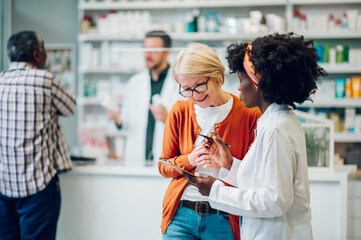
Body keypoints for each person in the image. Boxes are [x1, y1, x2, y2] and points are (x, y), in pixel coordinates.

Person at [187, 33, 327, 240]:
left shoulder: (276, 128)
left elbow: (274, 200)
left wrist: (215, 191)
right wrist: (229, 164)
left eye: (241, 79)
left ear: (259, 82)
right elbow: (263, 182)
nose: (238, 87)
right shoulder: (275, 120)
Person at [158, 43, 261, 240]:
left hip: (223, 217)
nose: (195, 96)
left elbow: (254, 178)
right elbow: (163, 166)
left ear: (217, 76)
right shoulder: (180, 110)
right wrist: (190, 160)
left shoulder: (249, 113)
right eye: (186, 89)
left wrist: (226, 165)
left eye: (199, 86)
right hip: (180, 216)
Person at [0, 31, 76, 240]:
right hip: (39, 185)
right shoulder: (45, 80)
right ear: (36, 55)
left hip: (5, 184)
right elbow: (70, 107)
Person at [107, 30, 180, 164]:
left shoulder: (179, 83)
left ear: (167, 52)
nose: (147, 54)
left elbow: (189, 127)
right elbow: (127, 123)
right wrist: (118, 119)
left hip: (168, 161)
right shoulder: (135, 83)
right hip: (136, 160)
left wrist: (167, 119)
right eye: (145, 49)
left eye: (153, 50)